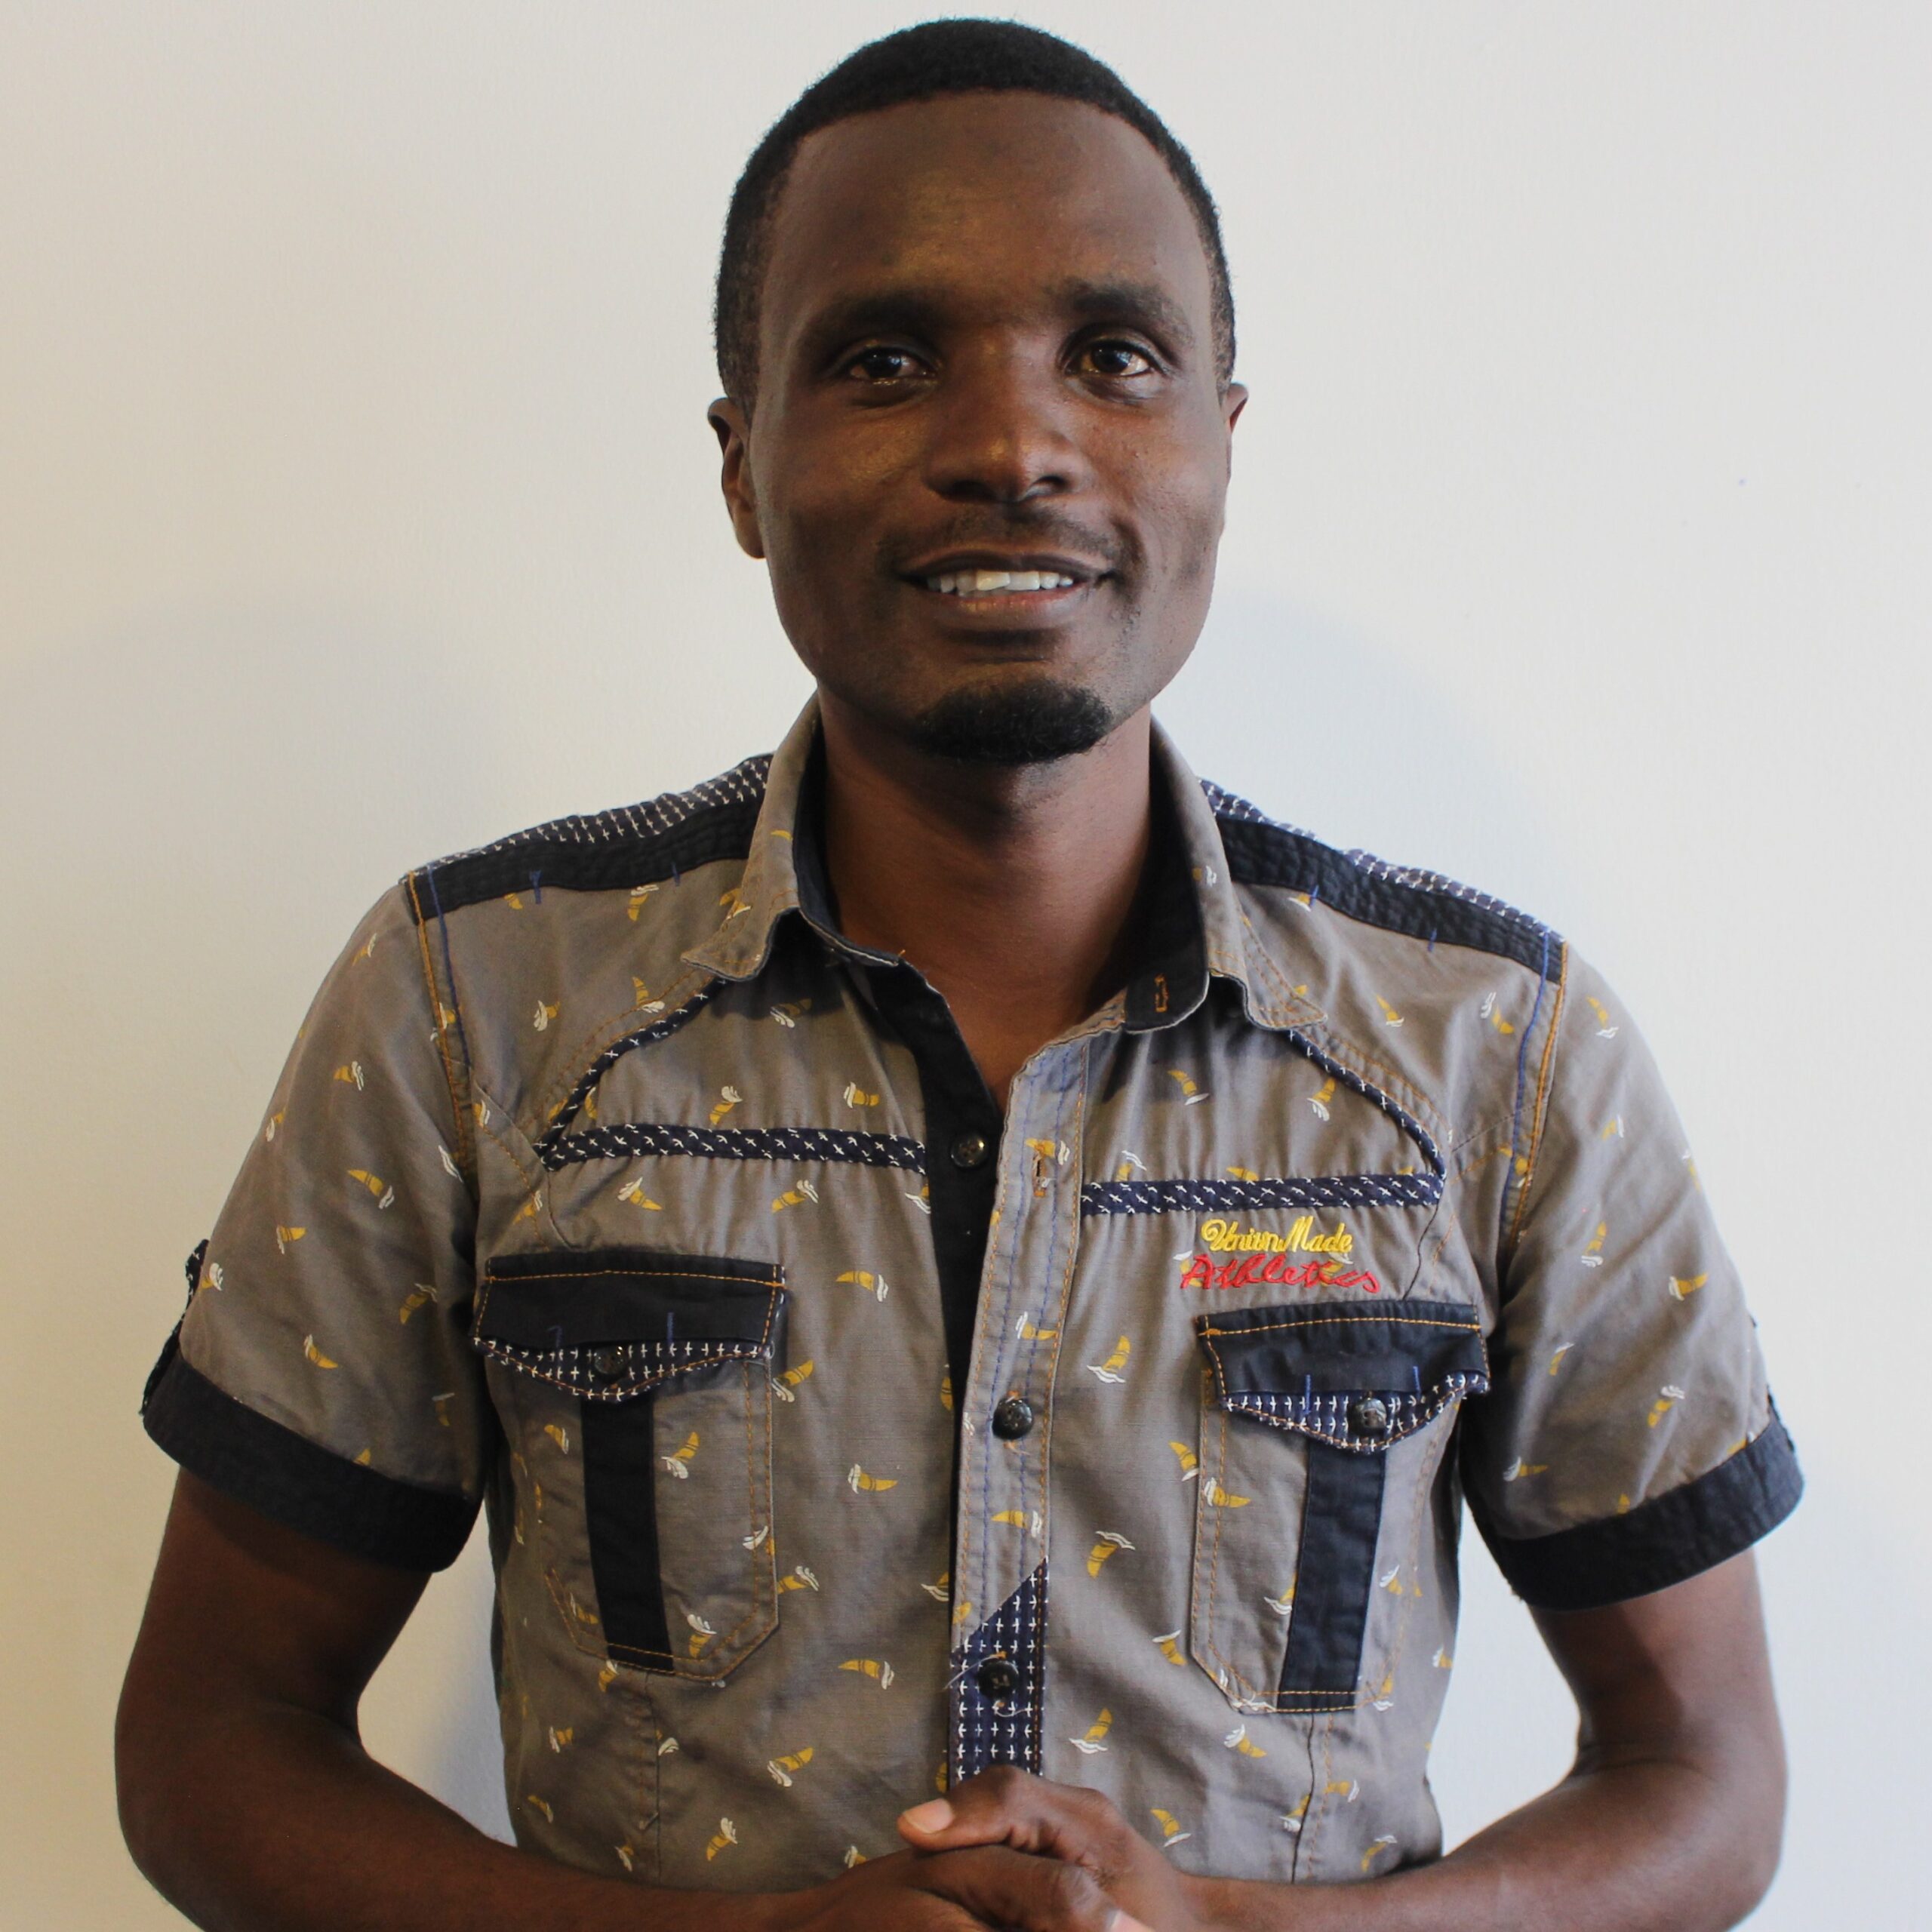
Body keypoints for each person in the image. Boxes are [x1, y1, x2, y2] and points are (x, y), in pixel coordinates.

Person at [116, 20, 1801, 1932]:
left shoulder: (1490, 1044)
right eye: (883, 359)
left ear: (1214, 447)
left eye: (1114, 356)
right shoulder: (470, 1004)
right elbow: (211, 1736)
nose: (1011, 446)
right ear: (744, 464)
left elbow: (1704, 1775)